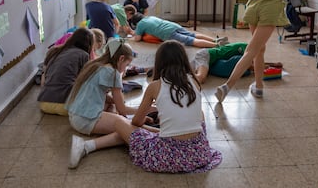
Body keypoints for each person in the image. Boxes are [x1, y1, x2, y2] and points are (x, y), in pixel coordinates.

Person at [70, 40, 222, 173]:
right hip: (197, 153)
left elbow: (134, 122)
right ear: (184, 59)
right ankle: (86, 146)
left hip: (167, 157)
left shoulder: (154, 86)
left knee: (124, 124)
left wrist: (145, 120)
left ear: (159, 62)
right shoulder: (194, 80)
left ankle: (85, 146)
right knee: (200, 112)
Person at [215, 0, 308, 102]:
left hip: (254, 7)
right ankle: (227, 86)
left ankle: (258, 87)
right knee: (252, 50)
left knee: (259, 49)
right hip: (271, 9)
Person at [67, 38, 147, 169]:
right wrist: (146, 110)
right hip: (84, 119)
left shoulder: (95, 64)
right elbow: (123, 109)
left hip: (75, 116)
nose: (126, 69)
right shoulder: (112, 72)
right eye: (127, 65)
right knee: (128, 131)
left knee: (116, 112)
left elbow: (103, 97)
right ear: (121, 59)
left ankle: (112, 126)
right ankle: (85, 146)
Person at [37, 28, 94, 116]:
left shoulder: (56, 51)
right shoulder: (84, 55)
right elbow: (87, 80)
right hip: (66, 106)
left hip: (44, 103)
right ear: (89, 44)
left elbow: (44, 77)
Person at [130, 13, 220, 48]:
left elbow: (137, 38)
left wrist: (132, 36)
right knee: (192, 35)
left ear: (136, 23)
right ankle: (215, 40)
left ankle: (216, 45)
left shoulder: (140, 24)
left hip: (167, 33)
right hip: (173, 25)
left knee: (191, 41)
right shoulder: (150, 17)